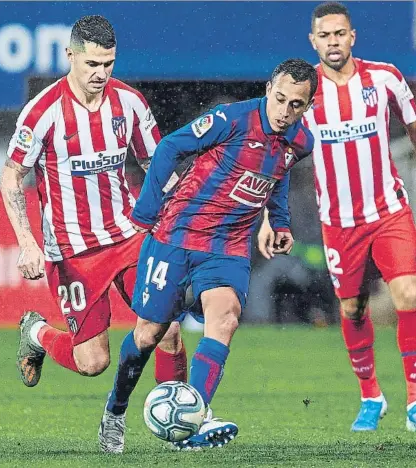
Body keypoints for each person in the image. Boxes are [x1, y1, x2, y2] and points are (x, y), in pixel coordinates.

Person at [98, 58, 317, 452]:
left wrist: (279, 221)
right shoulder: (231, 120)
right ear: (269, 89)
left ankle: (193, 423)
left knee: (226, 318)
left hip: (228, 247)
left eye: (296, 105)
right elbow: (168, 148)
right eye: (280, 99)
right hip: (177, 235)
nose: (285, 112)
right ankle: (115, 409)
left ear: (308, 105)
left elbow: (278, 175)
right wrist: (146, 212)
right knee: (149, 334)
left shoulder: (300, 143)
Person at [0, 15, 188, 407]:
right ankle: (37, 333)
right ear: (70, 55)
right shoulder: (42, 112)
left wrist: (184, 215)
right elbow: (13, 178)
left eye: (109, 63)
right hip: (72, 252)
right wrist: (27, 243)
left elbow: (157, 165)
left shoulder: (130, 102)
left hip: (128, 234)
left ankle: (180, 417)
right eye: (92, 64)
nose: (101, 73)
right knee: (93, 362)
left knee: (166, 328)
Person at [258, 2, 416, 432]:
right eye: (324, 35)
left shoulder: (384, 78)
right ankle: (371, 396)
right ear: (313, 41)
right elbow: (278, 154)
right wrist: (272, 218)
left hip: (388, 211)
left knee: (409, 294)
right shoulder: (304, 92)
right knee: (352, 309)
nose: (333, 42)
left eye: (339, 34)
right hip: (339, 222)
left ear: (352, 37)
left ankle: (415, 401)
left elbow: (413, 124)